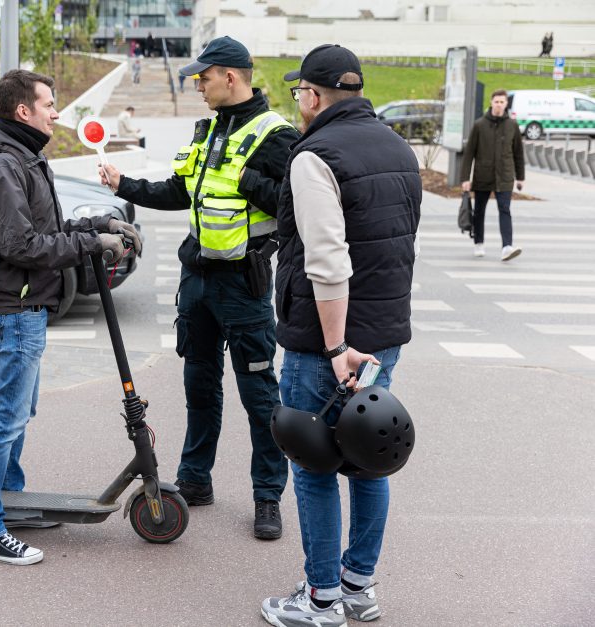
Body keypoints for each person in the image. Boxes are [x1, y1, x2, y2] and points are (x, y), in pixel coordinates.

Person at [99, 36, 300, 540]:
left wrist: (252, 183)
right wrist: (124, 185)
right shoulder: (208, 128)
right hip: (198, 281)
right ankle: (195, 480)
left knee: (259, 396)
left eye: (203, 77)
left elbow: (295, 206)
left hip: (244, 283)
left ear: (230, 76)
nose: (198, 86)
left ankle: (267, 496)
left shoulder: (275, 135)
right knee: (199, 387)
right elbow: (180, 190)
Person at [252, 44, 420, 625]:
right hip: (384, 333)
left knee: (316, 462)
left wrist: (332, 347)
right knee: (368, 456)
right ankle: (358, 588)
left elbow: (328, 260)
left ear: (314, 96)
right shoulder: (398, 147)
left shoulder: (313, 155)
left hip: (330, 340)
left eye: (300, 93)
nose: (299, 102)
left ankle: (320, 600)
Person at [0, 69, 141, 566]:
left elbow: (45, 228)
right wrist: (92, 243)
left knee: (18, 414)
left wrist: (99, 223)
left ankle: (7, 500)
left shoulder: (24, 158)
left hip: (27, 308)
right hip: (13, 309)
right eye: (48, 103)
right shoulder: (3, 167)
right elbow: (20, 245)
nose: (56, 111)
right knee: (4, 420)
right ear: (23, 110)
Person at [460, 88, 525, 262]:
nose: (499, 105)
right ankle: (478, 242)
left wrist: (520, 177)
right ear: (491, 103)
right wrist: (465, 178)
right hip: (483, 176)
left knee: (505, 210)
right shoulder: (479, 125)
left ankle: (507, 247)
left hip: (504, 176)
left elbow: (518, 153)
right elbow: (469, 154)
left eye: (502, 102)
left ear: (506, 104)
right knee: (479, 211)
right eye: (496, 101)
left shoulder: (512, 125)